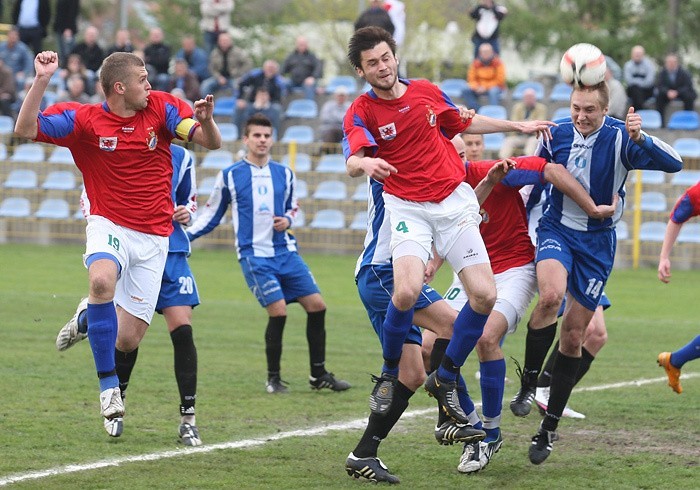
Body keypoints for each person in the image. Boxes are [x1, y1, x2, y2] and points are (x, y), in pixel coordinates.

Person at [343, 26, 553, 432]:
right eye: (372, 63)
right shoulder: (362, 110)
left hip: (453, 204)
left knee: (485, 295)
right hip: (408, 207)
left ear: (395, 57)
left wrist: (517, 127)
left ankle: (448, 374)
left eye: (386, 58)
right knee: (404, 291)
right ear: (360, 71)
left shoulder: (426, 91)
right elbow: (353, 157)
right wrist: (365, 164)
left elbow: (463, 122)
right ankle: (389, 373)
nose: (382, 67)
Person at [14, 50, 222, 438]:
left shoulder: (161, 109)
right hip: (108, 222)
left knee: (127, 340)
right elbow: (25, 129)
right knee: (101, 282)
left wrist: (207, 124)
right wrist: (41, 79)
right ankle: (108, 387)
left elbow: (210, 143)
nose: (150, 84)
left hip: (155, 237)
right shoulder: (85, 120)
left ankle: (87, 318)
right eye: (143, 79)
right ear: (120, 87)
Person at [507, 81, 682, 465]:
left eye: (589, 110)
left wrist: (643, 138)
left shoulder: (622, 137)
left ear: (606, 111)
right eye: (576, 107)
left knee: (575, 336)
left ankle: (548, 429)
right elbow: (538, 179)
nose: (581, 116)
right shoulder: (557, 133)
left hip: (597, 246)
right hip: (556, 230)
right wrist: (520, 220)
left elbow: (676, 164)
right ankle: (527, 385)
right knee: (550, 296)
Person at [424, 133, 615, 474]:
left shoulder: (497, 171)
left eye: (456, 153)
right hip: (468, 271)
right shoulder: (437, 188)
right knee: (428, 348)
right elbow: (444, 231)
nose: (449, 161)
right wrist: (432, 264)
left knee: (486, 338)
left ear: (465, 154)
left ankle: (491, 433)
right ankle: (471, 427)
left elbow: (549, 169)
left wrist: (591, 208)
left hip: (514, 269)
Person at [345, 133, 517, 483]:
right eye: (450, 154)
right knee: (453, 328)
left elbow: (453, 209)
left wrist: (485, 182)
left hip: (392, 276)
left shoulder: (433, 181)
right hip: (383, 275)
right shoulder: (401, 170)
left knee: (412, 375)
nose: (452, 163)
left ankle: (363, 454)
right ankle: (456, 419)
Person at [187, 113, 350, 394]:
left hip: (285, 252)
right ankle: (273, 379)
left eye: (266, 136)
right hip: (254, 256)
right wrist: (185, 236)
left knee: (318, 306)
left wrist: (288, 219)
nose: (262, 141)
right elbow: (211, 214)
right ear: (246, 139)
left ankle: (318, 374)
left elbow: (293, 208)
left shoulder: (285, 174)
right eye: (257, 136)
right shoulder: (230, 175)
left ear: (272, 139)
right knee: (279, 311)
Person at [55, 144, 205, 446]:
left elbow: (189, 199)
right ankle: (116, 399)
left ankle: (188, 419)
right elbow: (91, 196)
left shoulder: (182, 157)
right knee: (125, 340)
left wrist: (186, 211)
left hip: (171, 251)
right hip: (133, 249)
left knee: (183, 330)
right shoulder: (122, 146)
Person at [657, 181, 700, 394]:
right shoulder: (697, 193)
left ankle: (675, 360)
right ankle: (675, 360)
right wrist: (664, 256)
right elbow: (677, 217)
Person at [235, 60, 286, 132]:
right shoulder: (255, 75)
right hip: (253, 103)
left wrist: (266, 100)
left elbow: (279, 97)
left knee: (277, 109)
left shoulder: (279, 81)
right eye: (268, 68)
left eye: (272, 68)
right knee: (239, 108)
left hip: (270, 104)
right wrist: (240, 98)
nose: (270, 70)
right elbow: (241, 84)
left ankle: (276, 135)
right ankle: (238, 135)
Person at [200, 32, 252, 98]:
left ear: (230, 41)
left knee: (238, 86)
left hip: (234, 78)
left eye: (226, 40)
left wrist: (240, 75)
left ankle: (236, 105)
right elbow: (211, 68)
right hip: (219, 78)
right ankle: (208, 105)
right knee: (205, 85)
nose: (224, 42)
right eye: (222, 40)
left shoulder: (238, 52)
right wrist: (218, 77)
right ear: (218, 42)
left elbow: (248, 63)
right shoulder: (214, 53)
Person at [499, 87, 547, 158]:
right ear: (523, 98)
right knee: (508, 141)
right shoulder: (517, 107)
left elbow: (540, 124)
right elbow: (513, 123)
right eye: (527, 97)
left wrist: (522, 123)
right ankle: (502, 162)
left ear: (535, 98)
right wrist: (529, 123)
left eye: (531, 97)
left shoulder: (541, 108)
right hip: (519, 135)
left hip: (534, 136)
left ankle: (528, 164)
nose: (529, 99)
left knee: (531, 145)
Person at [655, 53, 697, 126]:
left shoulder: (684, 72)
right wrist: (667, 92)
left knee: (689, 97)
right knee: (659, 97)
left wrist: (677, 92)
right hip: (667, 94)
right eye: (669, 62)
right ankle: (661, 123)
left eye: (673, 62)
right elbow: (659, 86)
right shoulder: (662, 73)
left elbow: (688, 86)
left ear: (677, 63)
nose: (671, 64)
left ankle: (688, 121)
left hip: (681, 93)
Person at [462, 42, 506, 110]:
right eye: (483, 52)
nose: (485, 54)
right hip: (479, 88)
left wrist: (485, 87)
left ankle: (493, 112)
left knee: (493, 91)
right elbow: (471, 79)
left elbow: (499, 80)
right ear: (480, 53)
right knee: (465, 90)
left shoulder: (498, 63)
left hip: (494, 87)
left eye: (487, 52)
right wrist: (477, 87)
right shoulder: (475, 63)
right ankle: (478, 110)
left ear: (492, 52)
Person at [281, 35, 323, 100]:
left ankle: (309, 107)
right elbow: (283, 67)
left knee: (309, 86)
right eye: (300, 44)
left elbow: (318, 68)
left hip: (306, 82)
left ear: (307, 45)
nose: (302, 45)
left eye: (303, 44)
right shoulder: (291, 56)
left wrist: (313, 78)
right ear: (296, 44)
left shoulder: (312, 56)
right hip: (293, 81)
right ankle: (280, 107)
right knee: (282, 84)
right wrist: (280, 76)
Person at [623, 45, 656, 110]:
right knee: (635, 89)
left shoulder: (649, 65)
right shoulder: (628, 65)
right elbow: (628, 81)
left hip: (646, 90)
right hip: (632, 90)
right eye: (635, 54)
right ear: (632, 55)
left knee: (637, 91)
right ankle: (641, 110)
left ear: (643, 55)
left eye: (639, 54)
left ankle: (637, 110)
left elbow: (649, 81)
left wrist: (636, 82)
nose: (637, 56)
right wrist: (640, 82)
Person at [144, 27, 172, 92]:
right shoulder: (147, 49)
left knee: (163, 79)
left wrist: (151, 60)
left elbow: (164, 62)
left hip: (162, 73)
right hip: (148, 73)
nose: (156, 36)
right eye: (154, 35)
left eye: (158, 35)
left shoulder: (166, 48)